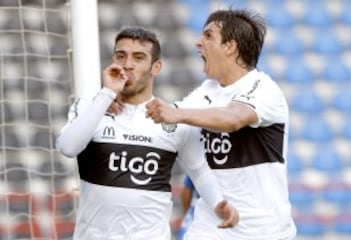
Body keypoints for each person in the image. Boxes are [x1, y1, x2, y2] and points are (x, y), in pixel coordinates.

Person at [56, 26, 238, 240]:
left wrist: (219, 204)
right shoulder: (91, 107)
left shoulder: (173, 118)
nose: (127, 65)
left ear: (156, 67)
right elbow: (68, 148)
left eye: (139, 58)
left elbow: (198, 170)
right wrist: (106, 94)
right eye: (121, 56)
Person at [145, 9, 297, 240]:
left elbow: (233, 118)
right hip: (210, 226)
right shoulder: (207, 91)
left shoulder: (262, 87)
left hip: (264, 230)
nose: (198, 42)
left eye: (208, 36)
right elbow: (169, 118)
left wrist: (177, 114)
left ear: (230, 47)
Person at [177, 175, 200, 240]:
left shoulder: (199, 166)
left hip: (193, 214)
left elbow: (186, 193)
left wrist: (187, 212)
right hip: (217, 214)